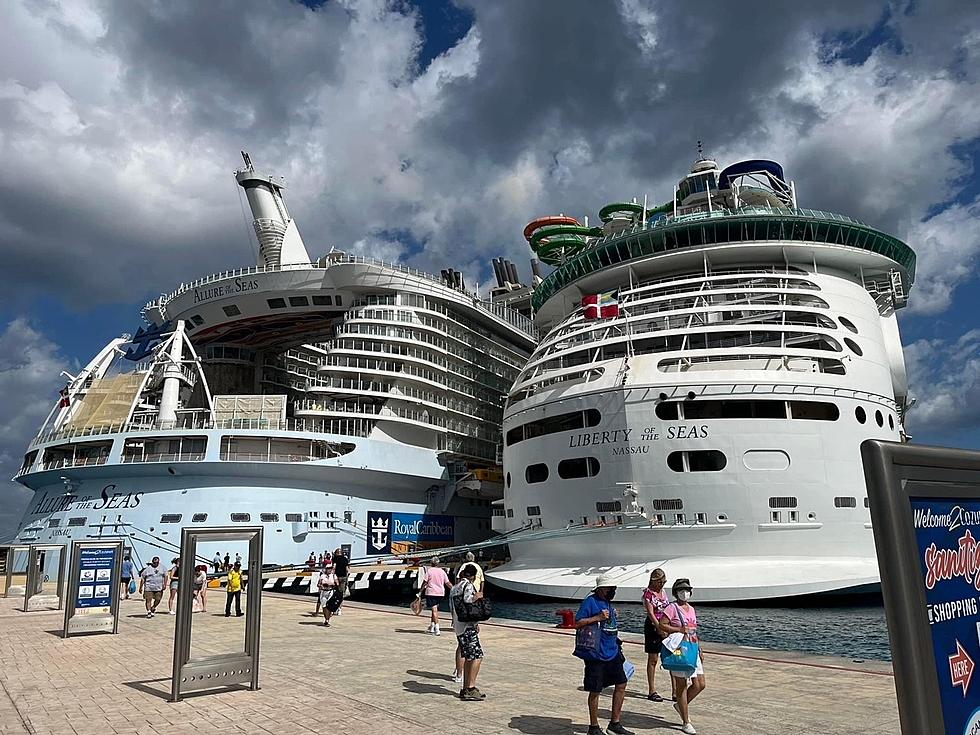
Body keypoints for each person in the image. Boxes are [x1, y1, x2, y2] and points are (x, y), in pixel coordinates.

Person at [574, 575, 634, 735]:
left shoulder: (607, 602)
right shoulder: (590, 602)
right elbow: (577, 623)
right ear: (600, 589)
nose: (612, 591)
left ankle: (615, 723)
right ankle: (593, 727)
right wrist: (597, 618)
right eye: (609, 589)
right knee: (595, 689)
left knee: (621, 683)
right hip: (596, 653)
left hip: (613, 650)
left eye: (614, 588)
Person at [659, 578, 705, 735]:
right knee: (681, 684)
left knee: (700, 684)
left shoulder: (691, 609)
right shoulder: (672, 607)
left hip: (692, 647)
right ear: (676, 593)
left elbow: (693, 629)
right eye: (681, 590)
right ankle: (686, 721)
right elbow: (662, 624)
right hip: (679, 648)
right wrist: (678, 629)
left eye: (686, 590)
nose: (684, 593)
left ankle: (680, 705)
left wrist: (700, 648)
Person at [450, 564, 485, 700]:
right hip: (467, 626)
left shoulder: (454, 587)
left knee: (468, 656)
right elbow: (468, 600)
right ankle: (470, 687)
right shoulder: (468, 586)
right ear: (473, 576)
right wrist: (478, 596)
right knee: (477, 656)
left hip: (458, 626)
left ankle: (466, 688)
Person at [642, 568, 670, 701]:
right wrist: (659, 627)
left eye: (663, 582)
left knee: (671, 656)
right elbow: (651, 613)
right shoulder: (648, 594)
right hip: (654, 627)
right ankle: (651, 689)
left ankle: (675, 690)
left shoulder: (663, 592)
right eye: (660, 582)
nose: (662, 584)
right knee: (653, 658)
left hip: (666, 625)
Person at [422, 557, 453, 635]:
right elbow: (447, 582)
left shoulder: (429, 571)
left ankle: (437, 628)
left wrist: (420, 591)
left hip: (431, 592)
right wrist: (454, 588)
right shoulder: (442, 571)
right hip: (440, 593)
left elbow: (425, 582)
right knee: (434, 609)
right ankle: (432, 627)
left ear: (431, 563)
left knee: (434, 610)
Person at [316, 562, 341, 626]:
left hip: (331, 592)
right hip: (324, 592)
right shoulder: (322, 576)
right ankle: (326, 618)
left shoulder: (333, 575)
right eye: (328, 568)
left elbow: (337, 583)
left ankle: (327, 620)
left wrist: (333, 584)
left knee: (329, 606)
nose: (329, 570)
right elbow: (318, 584)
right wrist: (321, 586)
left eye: (330, 568)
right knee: (324, 606)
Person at [332, 548, 350, 615]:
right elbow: (347, 570)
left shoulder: (335, 558)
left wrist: (332, 575)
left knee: (335, 593)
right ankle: (339, 609)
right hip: (344, 577)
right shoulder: (345, 559)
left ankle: (334, 608)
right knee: (341, 594)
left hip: (337, 577)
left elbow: (334, 567)